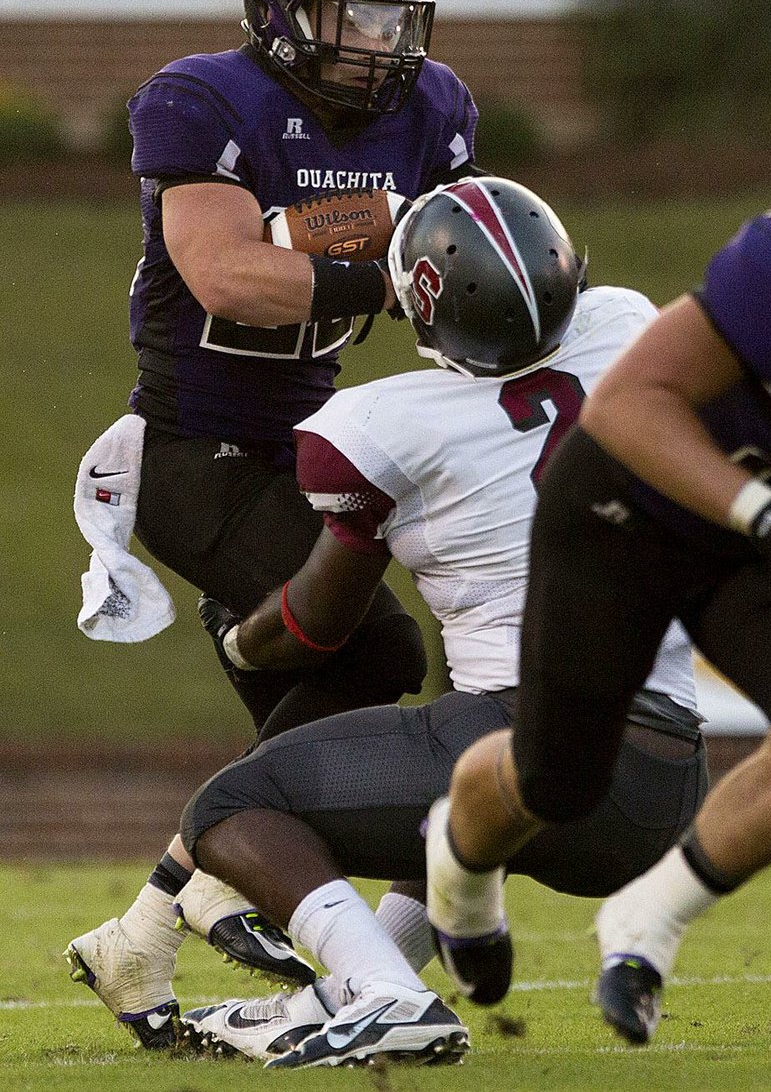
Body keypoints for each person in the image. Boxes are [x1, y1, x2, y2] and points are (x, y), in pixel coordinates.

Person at [162, 177, 708, 1068]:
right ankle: (363, 984)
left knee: (232, 803)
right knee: (446, 777)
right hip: (665, 780)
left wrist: (239, 638)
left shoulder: (379, 424)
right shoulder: (626, 323)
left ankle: (384, 994)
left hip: (529, 740)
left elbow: (316, 623)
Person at [65, 0, 480, 1049]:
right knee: (382, 650)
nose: (378, 45)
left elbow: (452, 259)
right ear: (287, 12)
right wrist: (382, 266)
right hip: (194, 445)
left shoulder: (435, 107)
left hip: (309, 435)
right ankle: (198, 889)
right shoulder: (203, 98)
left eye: (392, 21)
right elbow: (227, 277)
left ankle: (148, 928)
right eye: (351, 18)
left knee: (314, 731)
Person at [424, 202, 771, 1039]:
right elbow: (628, 405)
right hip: (631, 506)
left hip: (758, 546)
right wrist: (761, 511)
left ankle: (645, 925)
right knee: (559, 779)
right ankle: (457, 866)